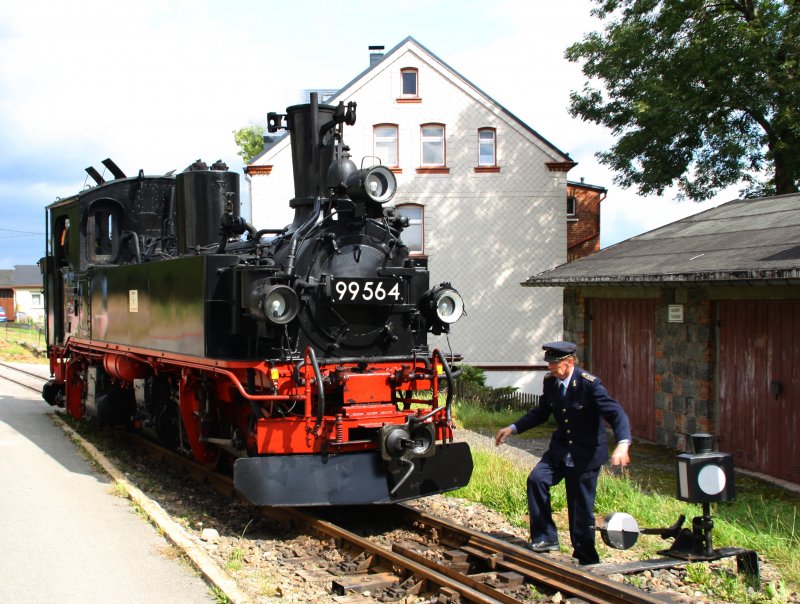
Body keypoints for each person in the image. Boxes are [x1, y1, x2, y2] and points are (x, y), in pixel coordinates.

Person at [494, 341, 631, 565]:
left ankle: (586, 558)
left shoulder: (589, 384)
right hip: (560, 450)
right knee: (537, 479)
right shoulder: (551, 382)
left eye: (554, 363)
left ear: (569, 362)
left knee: (580, 508)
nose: (549, 367)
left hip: (586, 455)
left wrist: (623, 443)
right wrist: (513, 428)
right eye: (548, 363)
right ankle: (545, 538)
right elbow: (541, 412)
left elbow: (616, 413)